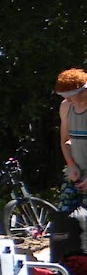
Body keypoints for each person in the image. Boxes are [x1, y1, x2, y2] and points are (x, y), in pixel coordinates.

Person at [56, 69, 87, 213]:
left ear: (83, 91)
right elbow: (65, 140)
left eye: (70, 96)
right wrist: (71, 164)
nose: (67, 100)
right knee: (63, 221)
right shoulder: (65, 107)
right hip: (75, 172)